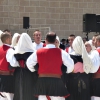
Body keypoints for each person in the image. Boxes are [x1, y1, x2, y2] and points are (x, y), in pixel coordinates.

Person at [26, 32, 74, 100]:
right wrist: (64, 71)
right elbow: (71, 66)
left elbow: (29, 63)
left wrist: (36, 69)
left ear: (45, 40)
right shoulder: (61, 52)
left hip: (42, 82)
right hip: (57, 81)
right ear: (55, 41)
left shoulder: (38, 52)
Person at [6, 33, 37, 100]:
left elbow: (11, 66)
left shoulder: (15, 53)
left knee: (19, 92)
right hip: (30, 75)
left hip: (18, 75)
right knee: (30, 92)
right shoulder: (33, 53)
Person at [0, 33, 14, 100]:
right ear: (7, 39)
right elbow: (13, 63)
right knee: (10, 98)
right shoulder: (10, 50)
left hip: (1, 78)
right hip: (8, 78)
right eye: (11, 38)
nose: (11, 39)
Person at [91, 35, 100, 100]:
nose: (94, 42)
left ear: (98, 42)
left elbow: (93, 68)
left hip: (97, 79)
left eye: (95, 41)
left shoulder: (95, 52)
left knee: (96, 98)